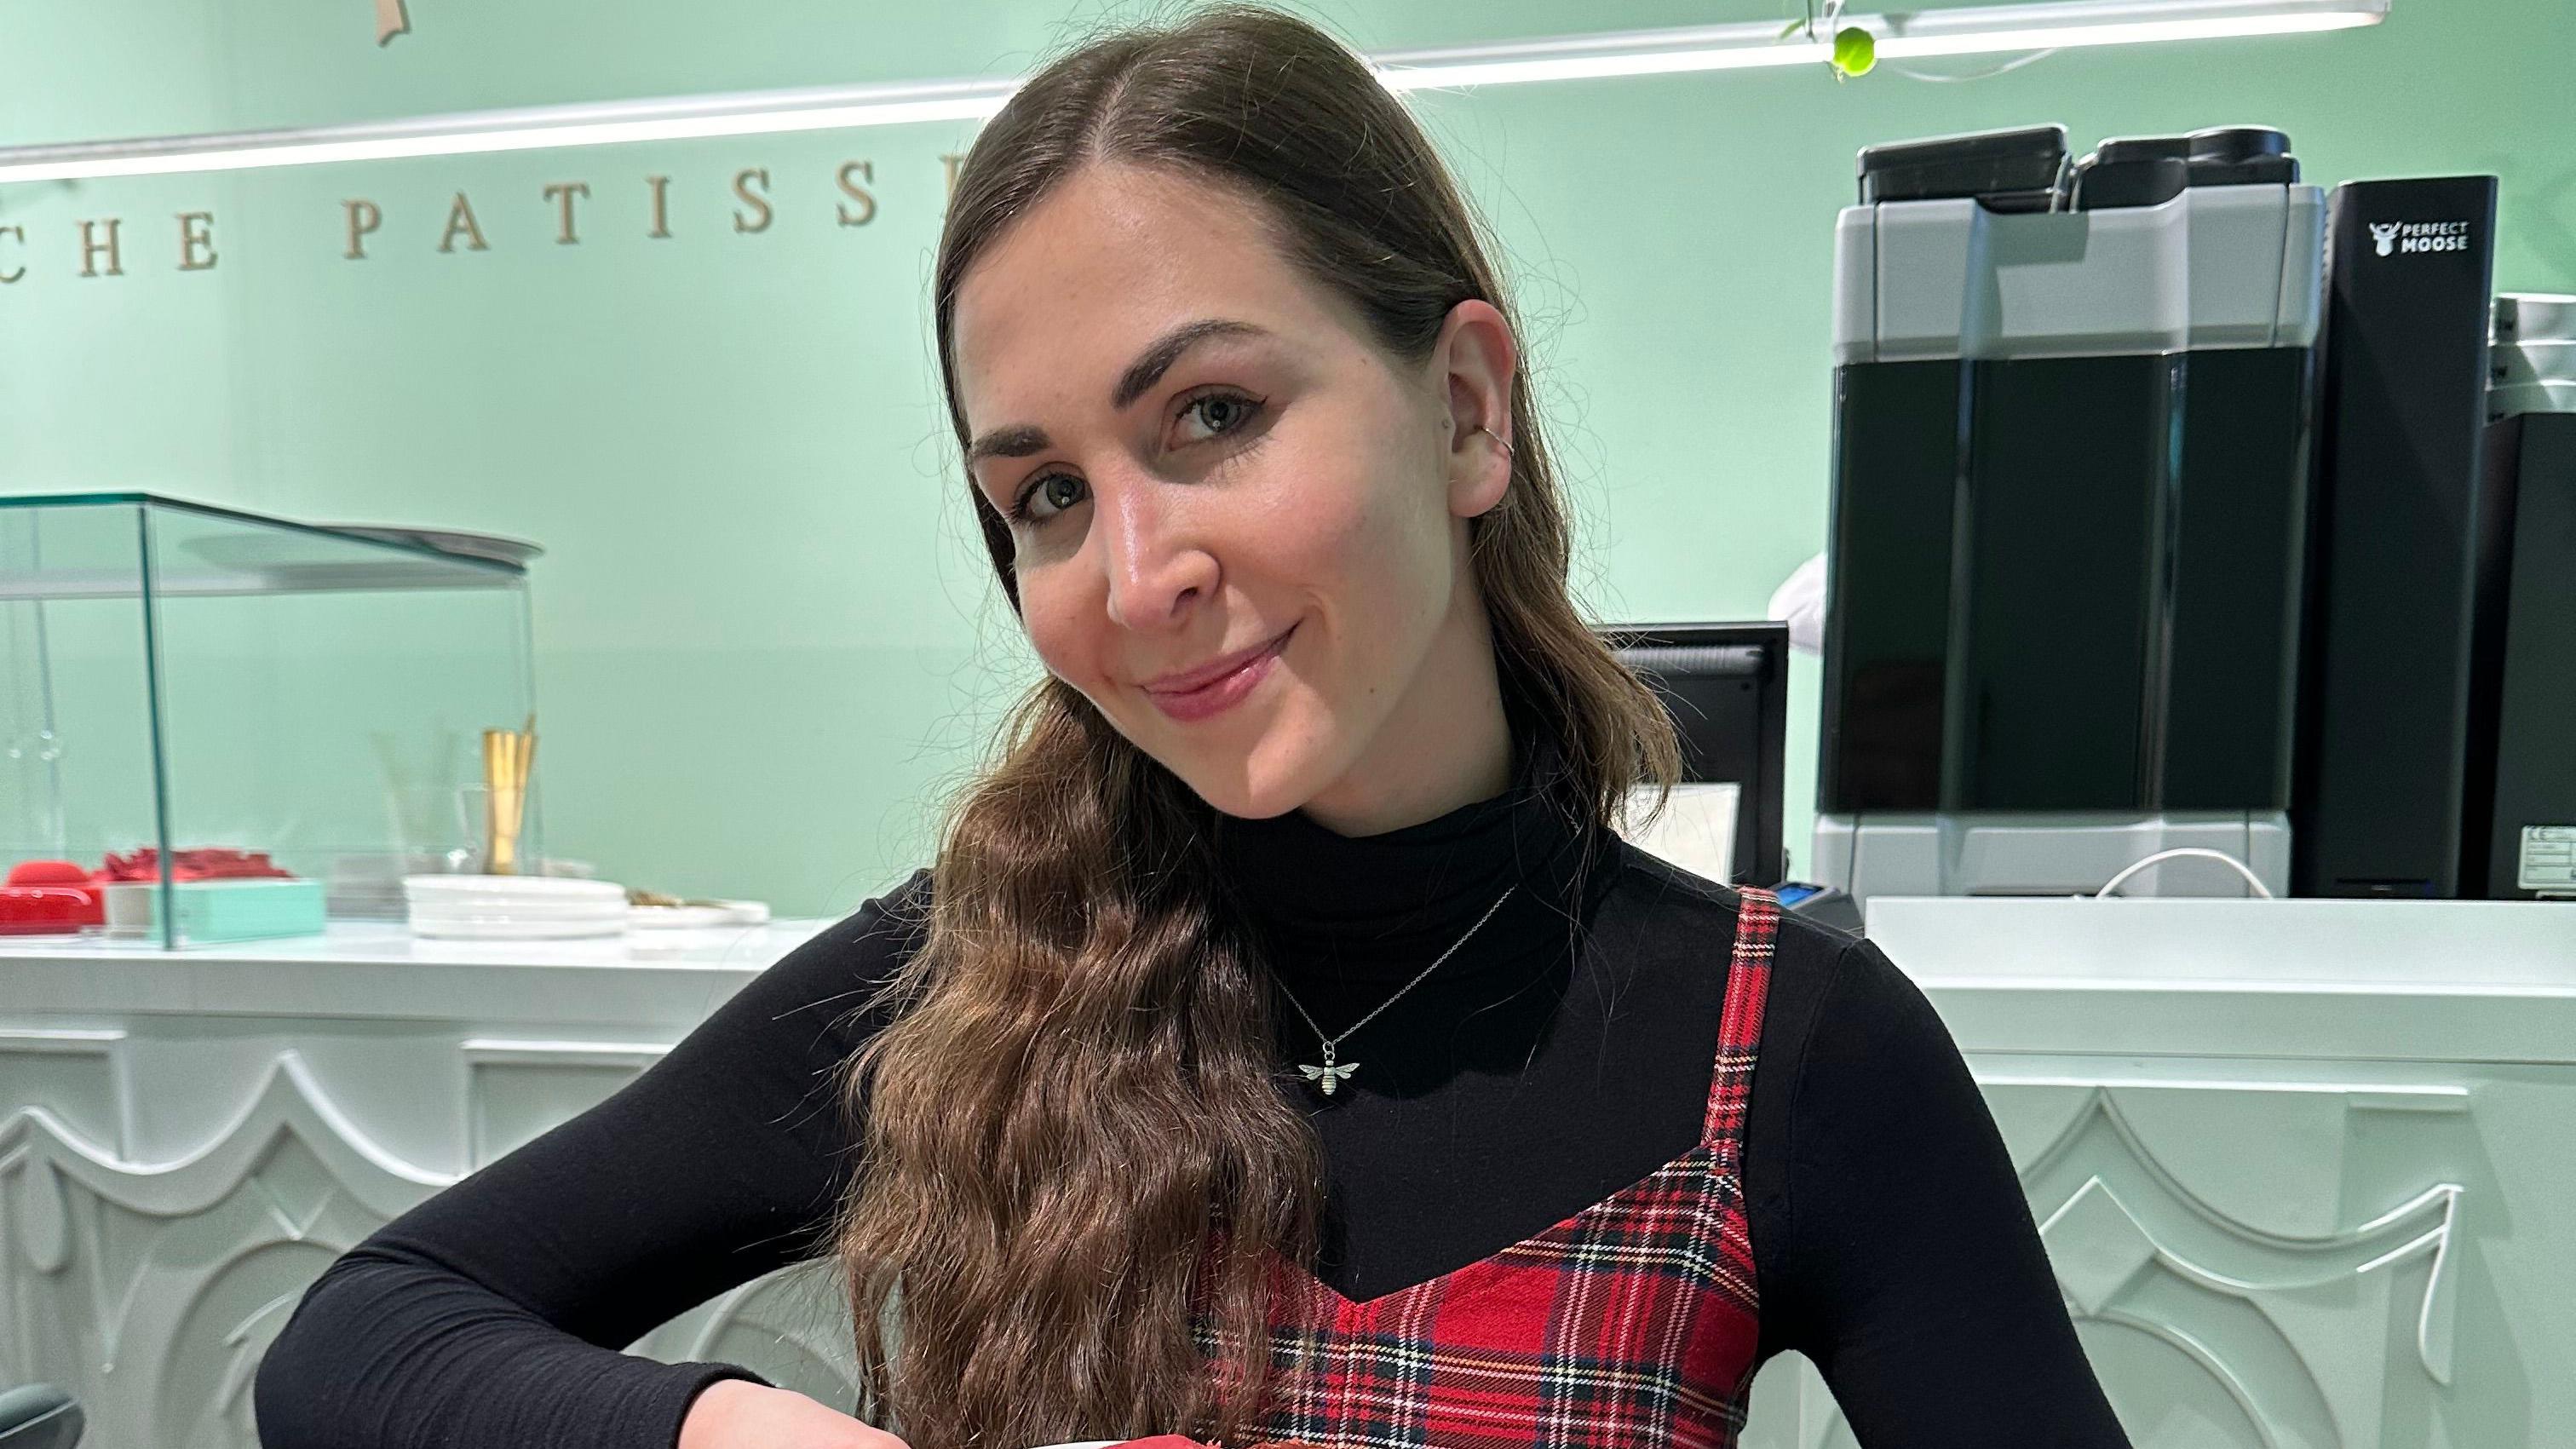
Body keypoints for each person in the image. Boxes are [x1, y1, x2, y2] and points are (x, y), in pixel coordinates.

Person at [251, 6, 2132, 1447]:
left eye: (1214, 415)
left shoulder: (1786, 1050)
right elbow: (362, 1332)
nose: (1133, 569)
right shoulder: (973, 976)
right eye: (1047, 495)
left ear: (1466, 408)